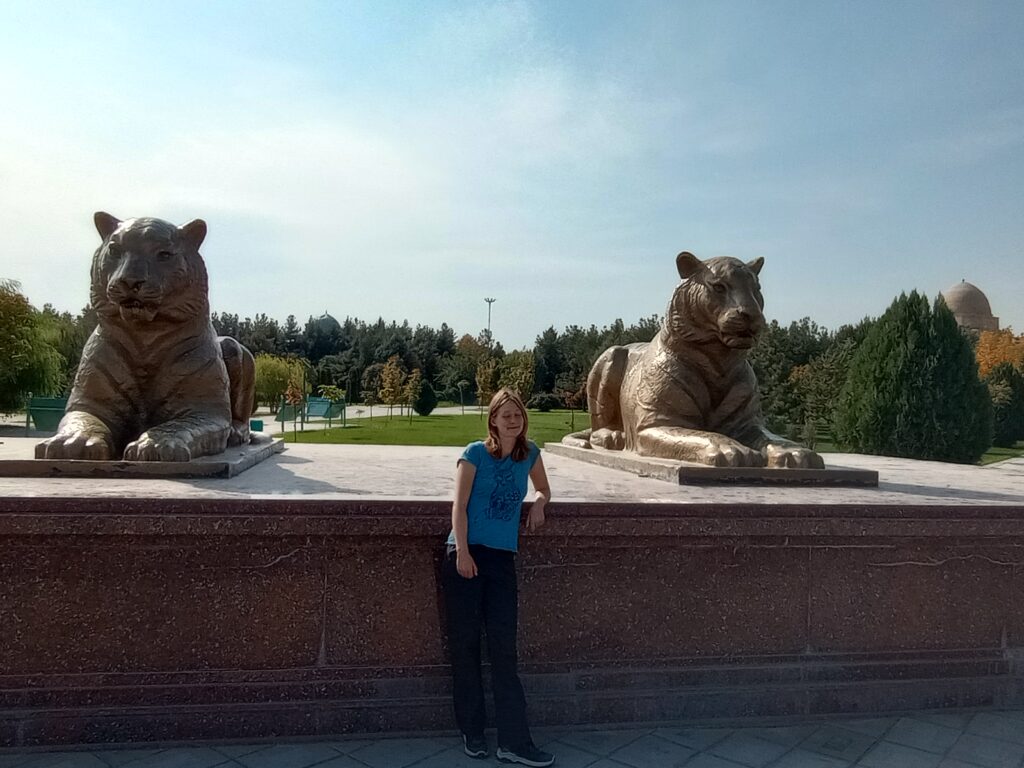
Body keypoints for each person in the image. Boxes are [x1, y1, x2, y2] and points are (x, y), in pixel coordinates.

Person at [441, 388, 555, 767]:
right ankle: (473, 732)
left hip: (502, 559)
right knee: (466, 646)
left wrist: (539, 503)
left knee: (505, 651)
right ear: (492, 420)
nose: (512, 420)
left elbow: (544, 488)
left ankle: (513, 742)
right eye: (505, 415)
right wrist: (462, 552)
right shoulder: (473, 454)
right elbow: (459, 505)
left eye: (518, 414)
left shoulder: (530, 453)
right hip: (466, 556)